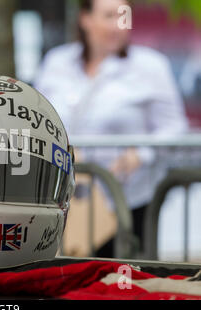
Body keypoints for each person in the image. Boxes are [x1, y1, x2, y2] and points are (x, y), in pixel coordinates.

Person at [34, 0, 189, 257]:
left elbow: (175, 127)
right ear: (85, 19)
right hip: (65, 200)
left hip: (127, 202)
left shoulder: (150, 66)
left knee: (121, 284)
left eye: (124, 16)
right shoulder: (57, 62)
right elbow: (40, 120)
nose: (119, 25)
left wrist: (141, 154)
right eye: (108, 16)